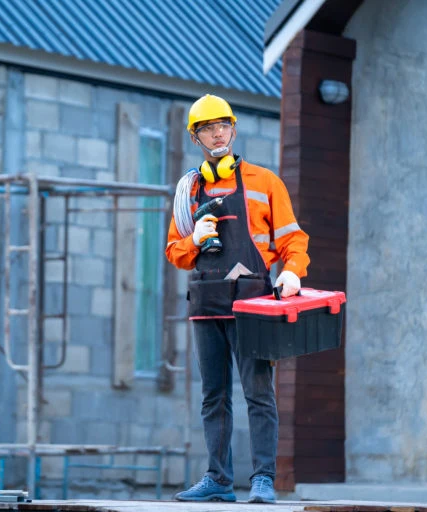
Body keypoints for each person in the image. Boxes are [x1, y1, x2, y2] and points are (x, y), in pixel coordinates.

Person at [166, 94, 309, 503]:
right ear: (196, 137)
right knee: (214, 396)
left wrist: (293, 272)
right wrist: (194, 239)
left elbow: (292, 240)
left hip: (253, 305)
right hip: (206, 306)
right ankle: (218, 479)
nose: (217, 133)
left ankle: (263, 478)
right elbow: (174, 252)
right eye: (208, 128)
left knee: (258, 393)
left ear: (233, 129)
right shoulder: (188, 192)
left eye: (223, 125)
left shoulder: (265, 182)